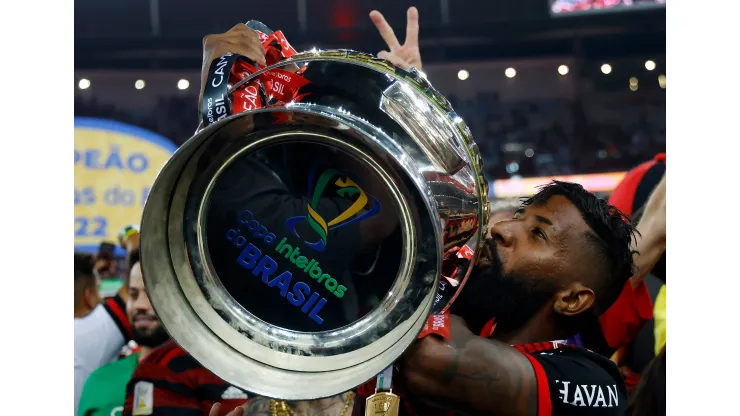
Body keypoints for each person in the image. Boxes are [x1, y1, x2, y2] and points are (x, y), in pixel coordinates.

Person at [78, 249, 170, 416]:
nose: (139, 305)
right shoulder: (99, 382)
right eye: (133, 295)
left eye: (151, 294)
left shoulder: (210, 381)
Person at [75, 252, 133, 415]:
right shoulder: (85, 333)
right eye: (98, 291)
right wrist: (129, 237)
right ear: (88, 296)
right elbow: (145, 275)